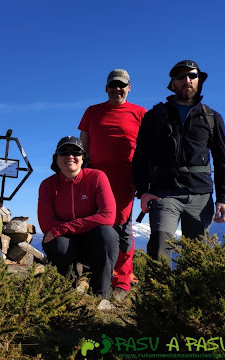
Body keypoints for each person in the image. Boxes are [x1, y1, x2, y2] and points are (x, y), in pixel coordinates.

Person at [132, 60, 225, 261]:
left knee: (198, 255)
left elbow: (223, 161)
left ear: (199, 80)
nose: (187, 80)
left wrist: (223, 198)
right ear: (173, 83)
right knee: (160, 244)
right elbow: (140, 156)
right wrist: (143, 191)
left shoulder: (212, 117)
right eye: (181, 77)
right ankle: (156, 292)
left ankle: (192, 294)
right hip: (163, 192)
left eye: (192, 76)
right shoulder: (155, 116)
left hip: (201, 195)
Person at [78, 69, 147, 299]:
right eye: (113, 85)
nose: (117, 89)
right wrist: (82, 173)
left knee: (122, 227)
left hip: (125, 177)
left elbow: (148, 149)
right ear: (106, 88)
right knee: (94, 224)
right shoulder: (93, 111)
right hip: (95, 176)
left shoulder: (140, 113)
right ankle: (96, 274)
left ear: (129, 88)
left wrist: (143, 179)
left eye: (122, 85)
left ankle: (122, 281)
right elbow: (84, 145)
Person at [38, 136, 119, 298]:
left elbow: (108, 216)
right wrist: (64, 231)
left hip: (92, 241)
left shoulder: (97, 177)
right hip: (66, 243)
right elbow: (46, 224)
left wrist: (65, 227)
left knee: (107, 235)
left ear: (83, 158)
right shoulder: (48, 185)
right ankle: (65, 291)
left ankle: (101, 294)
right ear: (57, 159)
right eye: (64, 152)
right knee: (58, 243)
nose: (70, 156)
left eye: (76, 152)